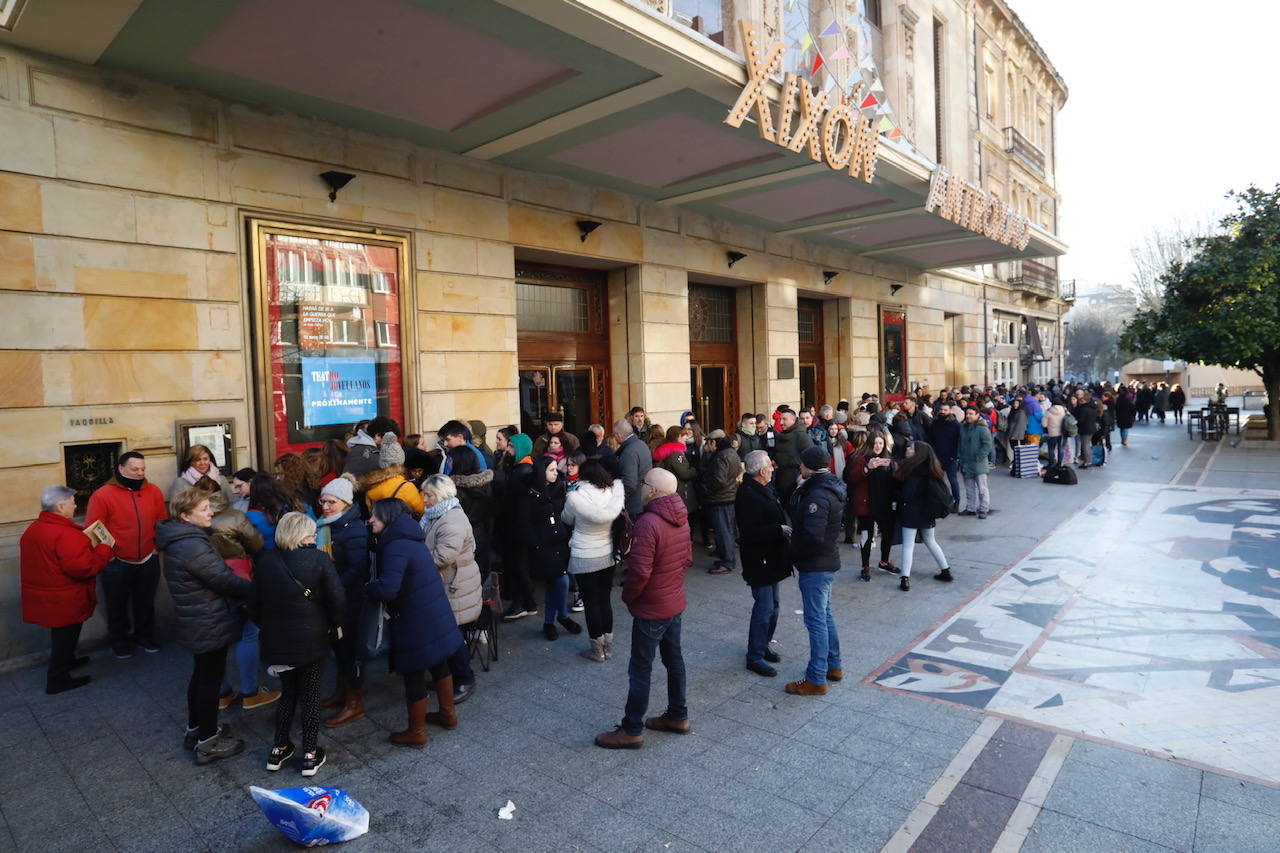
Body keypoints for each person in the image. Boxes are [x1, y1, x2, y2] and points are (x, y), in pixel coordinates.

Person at [594, 469, 691, 749]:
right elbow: (685, 559)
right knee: (674, 660)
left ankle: (632, 727)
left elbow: (639, 572)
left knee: (640, 668)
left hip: (653, 607)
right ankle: (678, 714)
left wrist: (629, 597)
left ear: (655, 491)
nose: (642, 488)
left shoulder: (649, 522)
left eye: (645, 483)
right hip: (673, 600)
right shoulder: (680, 516)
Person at [157, 488, 253, 765]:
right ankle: (208, 742)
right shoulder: (192, 545)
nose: (211, 513)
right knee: (209, 679)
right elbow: (222, 579)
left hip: (199, 617)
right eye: (204, 509)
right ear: (185, 516)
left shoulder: (183, 538)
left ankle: (196, 730)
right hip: (208, 619)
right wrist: (255, 590)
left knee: (202, 675)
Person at [366, 498, 466, 748]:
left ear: (388, 517)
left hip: (415, 619)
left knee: (413, 675)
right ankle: (448, 715)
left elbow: (389, 589)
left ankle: (416, 732)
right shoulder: (412, 538)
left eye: (375, 516)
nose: (370, 520)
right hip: (432, 613)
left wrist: (367, 588)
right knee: (439, 663)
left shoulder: (395, 546)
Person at [255, 513, 345, 777]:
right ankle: (309, 753)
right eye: (312, 533)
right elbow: (337, 599)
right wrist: (335, 625)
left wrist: (269, 628)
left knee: (288, 692)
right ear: (305, 535)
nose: (315, 536)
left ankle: (279, 749)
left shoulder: (265, 562)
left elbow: (253, 604)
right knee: (312, 693)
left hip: (277, 640)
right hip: (311, 638)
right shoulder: (319, 559)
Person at [191, 478, 277, 713]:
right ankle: (250, 692)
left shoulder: (189, 520)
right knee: (248, 634)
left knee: (216, 637)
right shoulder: (234, 516)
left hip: (205, 581)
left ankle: (222, 693)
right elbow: (257, 543)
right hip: (238, 578)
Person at [21, 485, 113, 694]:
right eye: (72, 502)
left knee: (62, 634)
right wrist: (104, 548)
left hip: (49, 594)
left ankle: (68, 661)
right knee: (65, 635)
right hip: (65, 596)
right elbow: (84, 568)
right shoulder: (64, 533)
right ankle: (57, 679)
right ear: (60, 506)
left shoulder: (34, 528)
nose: (75, 505)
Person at [85, 451, 168, 659]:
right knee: (117, 606)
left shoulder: (154, 491)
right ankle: (120, 642)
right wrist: (109, 554)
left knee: (146, 602)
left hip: (148, 557)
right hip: (116, 561)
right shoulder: (102, 494)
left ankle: (145, 637)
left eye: (142, 469)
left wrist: (157, 546)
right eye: (134, 469)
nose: (140, 473)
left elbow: (162, 521)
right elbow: (95, 527)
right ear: (121, 469)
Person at [784, 446, 846, 696]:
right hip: (826, 561)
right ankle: (834, 665)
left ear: (809, 466)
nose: (799, 467)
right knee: (825, 615)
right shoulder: (829, 486)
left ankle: (816, 678)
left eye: (802, 464)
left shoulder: (817, 494)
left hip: (816, 566)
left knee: (816, 620)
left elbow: (813, 536)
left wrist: (793, 553)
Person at [314, 477, 371, 728]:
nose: (325, 506)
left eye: (331, 502)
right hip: (333, 597)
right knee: (339, 649)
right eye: (323, 501)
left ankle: (354, 703)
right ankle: (341, 694)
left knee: (349, 651)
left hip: (350, 600)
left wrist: (332, 587)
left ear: (345, 503)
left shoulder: (354, 528)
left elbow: (358, 567)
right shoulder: (326, 525)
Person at [420, 475, 482, 702]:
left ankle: (465, 680)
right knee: (443, 635)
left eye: (429, 495)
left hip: (455, 586)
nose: (424, 499)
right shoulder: (436, 514)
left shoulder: (451, 519)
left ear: (442, 496)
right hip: (446, 583)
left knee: (451, 637)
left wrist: (415, 558)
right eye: (424, 494)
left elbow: (443, 556)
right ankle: (445, 677)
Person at [562, 459, 626, 663]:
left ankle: (596, 650)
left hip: (584, 555)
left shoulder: (575, 496)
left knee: (590, 603)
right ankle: (609, 646)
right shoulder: (612, 493)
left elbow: (566, 519)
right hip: (607, 552)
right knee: (605, 599)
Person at [735, 452, 790, 678]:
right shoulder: (748, 494)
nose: (773, 468)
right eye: (769, 465)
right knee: (764, 608)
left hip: (772, 558)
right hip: (760, 561)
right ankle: (754, 656)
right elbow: (749, 533)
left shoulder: (763, 487)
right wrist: (779, 530)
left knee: (774, 606)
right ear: (760, 470)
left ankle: (764, 644)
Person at [516, 457, 580, 642]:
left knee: (558, 582)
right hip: (542, 546)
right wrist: (535, 543)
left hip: (559, 541)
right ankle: (561, 617)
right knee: (560, 581)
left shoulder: (559, 486)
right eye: (551, 470)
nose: (556, 473)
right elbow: (524, 522)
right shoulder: (528, 492)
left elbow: (563, 513)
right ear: (541, 472)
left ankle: (551, 621)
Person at [892, 442, 953, 591]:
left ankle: (905, 579)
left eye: (911, 448)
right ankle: (945, 570)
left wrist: (896, 490)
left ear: (917, 453)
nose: (907, 449)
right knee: (931, 541)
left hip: (911, 513)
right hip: (927, 512)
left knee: (908, 545)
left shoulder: (913, 471)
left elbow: (907, 495)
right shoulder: (931, 469)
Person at [846, 429, 897, 581]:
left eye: (881, 443)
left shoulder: (888, 458)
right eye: (875, 443)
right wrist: (868, 468)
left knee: (887, 533)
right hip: (866, 504)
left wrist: (896, 470)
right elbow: (851, 478)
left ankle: (884, 561)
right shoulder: (861, 458)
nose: (878, 446)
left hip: (884, 504)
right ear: (870, 444)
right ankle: (865, 566)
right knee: (867, 536)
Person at [500, 433, 540, 621]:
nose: (508, 450)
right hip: (520, 526)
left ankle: (523, 603)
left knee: (519, 566)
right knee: (519, 565)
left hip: (520, 527)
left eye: (511, 447)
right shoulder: (521, 468)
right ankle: (528, 603)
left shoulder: (523, 471)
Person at [702, 435, 744, 575]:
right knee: (727, 529)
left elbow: (718, 480)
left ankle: (727, 562)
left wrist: (706, 489)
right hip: (729, 496)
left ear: (715, 443)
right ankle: (725, 556)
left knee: (723, 531)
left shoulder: (721, 456)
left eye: (710, 443)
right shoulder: (732, 453)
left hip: (720, 498)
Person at [360, 433, 425, 517]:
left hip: (380, 528)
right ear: (401, 460)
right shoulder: (406, 487)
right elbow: (421, 510)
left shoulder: (371, 486)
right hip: (400, 528)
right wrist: (423, 492)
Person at [772, 408, 814, 505]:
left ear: (793, 420)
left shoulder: (801, 436)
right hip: (780, 480)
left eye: (784, 419)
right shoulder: (781, 435)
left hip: (795, 481)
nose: (781, 422)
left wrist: (801, 473)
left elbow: (810, 457)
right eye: (780, 419)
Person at [958, 407, 994, 519]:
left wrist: (979, 457)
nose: (968, 415)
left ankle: (983, 509)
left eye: (971, 413)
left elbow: (987, 445)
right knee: (969, 488)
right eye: (967, 413)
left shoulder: (982, 428)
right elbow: (960, 443)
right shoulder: (963, 428)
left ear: (977, 414)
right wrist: (959, 455)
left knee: (982, 488)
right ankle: (971, 508)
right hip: (966, 463)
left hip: (979, 464)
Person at [614, 417, 653, 520]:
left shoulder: (628, 452)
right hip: (642, 500)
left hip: (633, 506)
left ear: (619, 435)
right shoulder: (641, 444)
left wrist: (618, 501)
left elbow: (629, 483)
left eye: (615, 435)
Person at [929, 403, 962, 512]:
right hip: (937, 458)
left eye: (945, 410)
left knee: (953, 481)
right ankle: (941, 502)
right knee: (938, 481)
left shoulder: (956, 425)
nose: (943, 411)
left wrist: (955, 456)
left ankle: (956, 502)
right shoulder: (935, 423)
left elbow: (959, 441)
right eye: (941, 409)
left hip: (951, 458)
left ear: (950, 411)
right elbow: (931, 439)